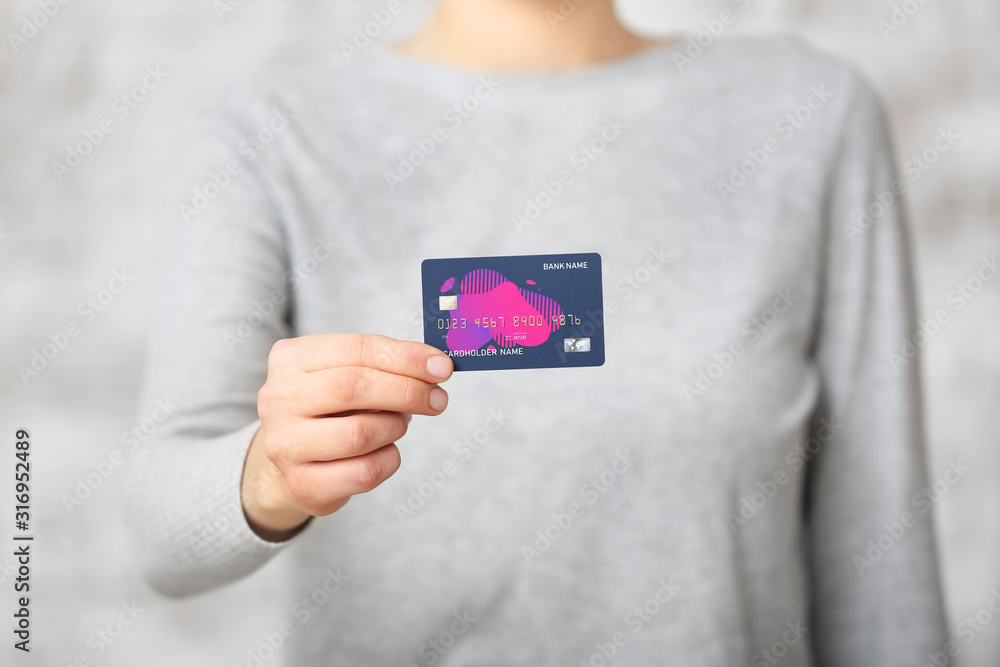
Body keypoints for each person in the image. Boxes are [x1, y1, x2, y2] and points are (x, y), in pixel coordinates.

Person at [122, 0, 950, 664]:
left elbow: (880, 556)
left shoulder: (808, 114)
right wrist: (270, 473)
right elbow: (164, 529)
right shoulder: (270, 134)